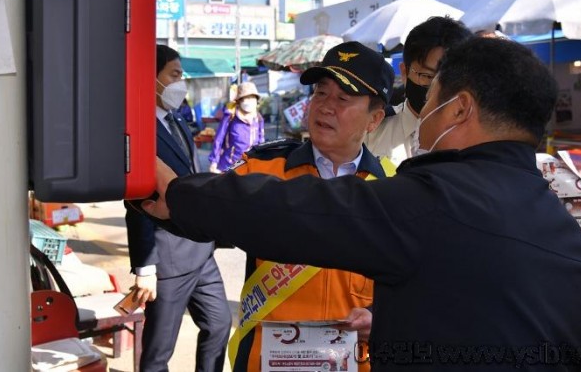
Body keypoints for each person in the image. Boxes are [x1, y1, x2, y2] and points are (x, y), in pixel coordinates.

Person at [144, 37, 581, 371]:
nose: (423, 114)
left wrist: (178, 195)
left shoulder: (417, 198)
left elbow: (294, 213)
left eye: (433, 99)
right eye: (319, 93)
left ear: (460, 110)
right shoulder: (572, 242)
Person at [226, 41, 393, 371]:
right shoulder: (261, 170)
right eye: (320, 93)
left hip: (354, 362)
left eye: (343, 98)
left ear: (374, 120)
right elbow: (196, 214)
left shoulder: (393, 188)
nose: (326, 107)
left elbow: (415, 285)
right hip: (268, 361)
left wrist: (379, 317)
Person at [124, 44, 231, 372]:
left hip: (201, 251)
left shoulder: (176, 120)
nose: (180, 83)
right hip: (168, 257)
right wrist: (145, 268)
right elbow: (137, 201)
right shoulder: (137, 129)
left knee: (219, 325)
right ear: (150, 78)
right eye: (174, 75)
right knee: (158, 351)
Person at [365, 16, 472, 165]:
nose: (437, 89)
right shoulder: (370, 132)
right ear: (404, 73)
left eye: (449, 79)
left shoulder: (475, 139)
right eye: (427, 76)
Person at [208, 81, 265, 173]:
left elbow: (261, 141)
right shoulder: (230, 116)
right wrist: (214, 162)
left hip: (251, 167)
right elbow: (219, 139)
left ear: (256, 100)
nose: (248, 101)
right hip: (230, 165)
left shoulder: (258, 118)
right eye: (245, 98)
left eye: (251, 98)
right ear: (239, 101)